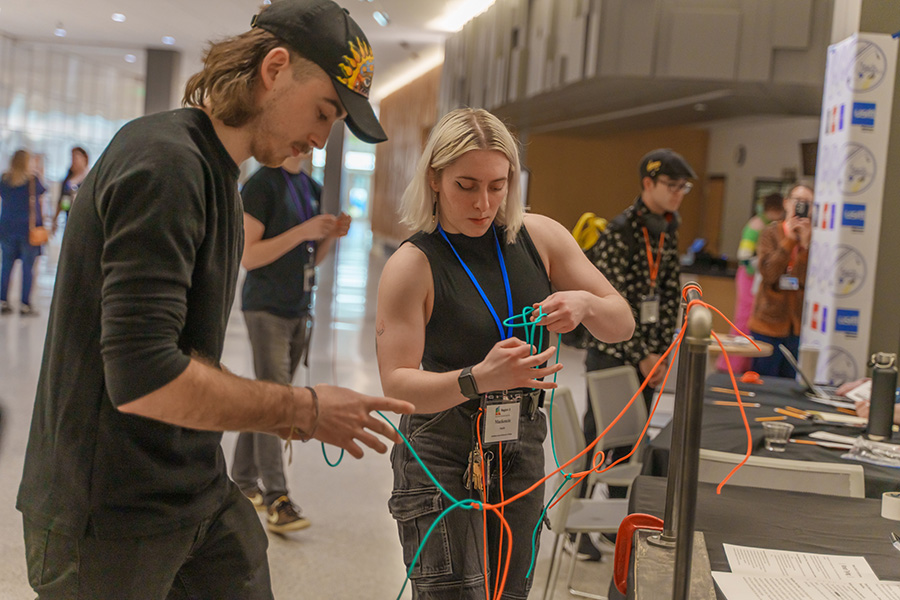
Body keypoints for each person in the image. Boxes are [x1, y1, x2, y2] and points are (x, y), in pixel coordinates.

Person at [16, 1, 414, 598]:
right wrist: (302, 411)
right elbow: (146, 376)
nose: (322, 140)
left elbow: (183, 349)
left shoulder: (217, 177)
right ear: (274, 69)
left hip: (193, 491)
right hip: (106, 512)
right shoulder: (165, 164)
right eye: (324, 112)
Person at [376, 108, 634, 598]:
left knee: (509, 592)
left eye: (498, 185)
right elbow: (397, 386)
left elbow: (622, 322)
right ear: (435, 178)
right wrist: (477, 377)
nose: (484, 203)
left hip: (521, 441)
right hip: (443, 448)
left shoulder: (540, 237)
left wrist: (583, 304)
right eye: (466, 186)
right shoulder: (413, 264)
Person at [233, 151, 351, 532]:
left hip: (298, 307)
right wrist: (302, 230)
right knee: (278, 400)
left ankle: (243, 479)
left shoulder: (311, 187)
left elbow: (311, 259)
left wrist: (329, 236)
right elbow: (249, 256)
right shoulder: (261, 185)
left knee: (268, 393)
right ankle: (277, 496)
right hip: (266, 307)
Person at [748, 182, 814, 378]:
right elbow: (769, 274)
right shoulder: (770, 232)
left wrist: (805, 246)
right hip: (767, 322)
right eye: (797, 201)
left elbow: (806, 281)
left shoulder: (814, 240)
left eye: (807, 203)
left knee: (789, 387)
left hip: (797, 326)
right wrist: (790, 240)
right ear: (786, 203)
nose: (801, 206)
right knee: (763, 383)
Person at [716, 192, 785, 374]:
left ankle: (744, 365)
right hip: (748, 277)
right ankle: (730, 365)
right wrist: (764, 263)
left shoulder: (771, 226)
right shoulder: (756, 226)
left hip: (757, 278)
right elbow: (744, 256)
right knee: (743, 320)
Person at [0, 149, 46, 316]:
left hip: (6, 228)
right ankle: (25, 304)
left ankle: (3, 301)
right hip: (27, 229)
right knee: (28, 267)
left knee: (6, 266)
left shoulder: (4, 179)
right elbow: (41, 198)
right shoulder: (32, 180)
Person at [52, 146, 89, 234]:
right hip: (69, 217)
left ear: (84, 159)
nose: (74, 161)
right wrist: (55, 218)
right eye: (72, 158)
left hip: (83, 219)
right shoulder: (69, 178)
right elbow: (61, 199)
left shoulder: (89, 178)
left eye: (76, 158)